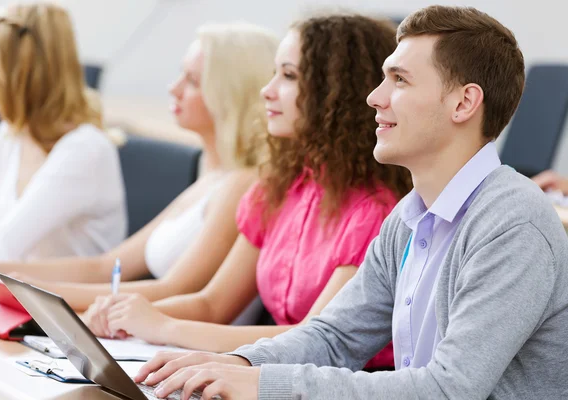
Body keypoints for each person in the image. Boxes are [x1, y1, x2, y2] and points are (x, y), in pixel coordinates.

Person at [134, 6, 568, 400]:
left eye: (399, 80)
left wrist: (263, 384)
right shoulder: (408, 217)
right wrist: (238, 364)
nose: (374, 98)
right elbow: (333, 338)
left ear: (464, 103)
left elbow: (447, 388)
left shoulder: (513, 225)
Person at [86, 13, 412, 371]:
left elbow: (311, 339)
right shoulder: (278, 188)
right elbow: (212, 304)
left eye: (288, 76)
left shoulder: (374, 212)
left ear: (337, 92)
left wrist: (162, 325)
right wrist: (124, 313)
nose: (267, 90)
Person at [0, 23, 278, 312]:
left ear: (230, 95)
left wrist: (30, 291)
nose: (174, 88)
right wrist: (2, 273)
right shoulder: (211, 178)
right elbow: (104, 266)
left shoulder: (241, 184)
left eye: (193, 81)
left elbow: (176, 290)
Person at [0, 3, 126, 262]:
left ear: (20, 67)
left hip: (68, 302)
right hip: (16, 294)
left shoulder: (85, 150)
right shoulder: (12, 132)